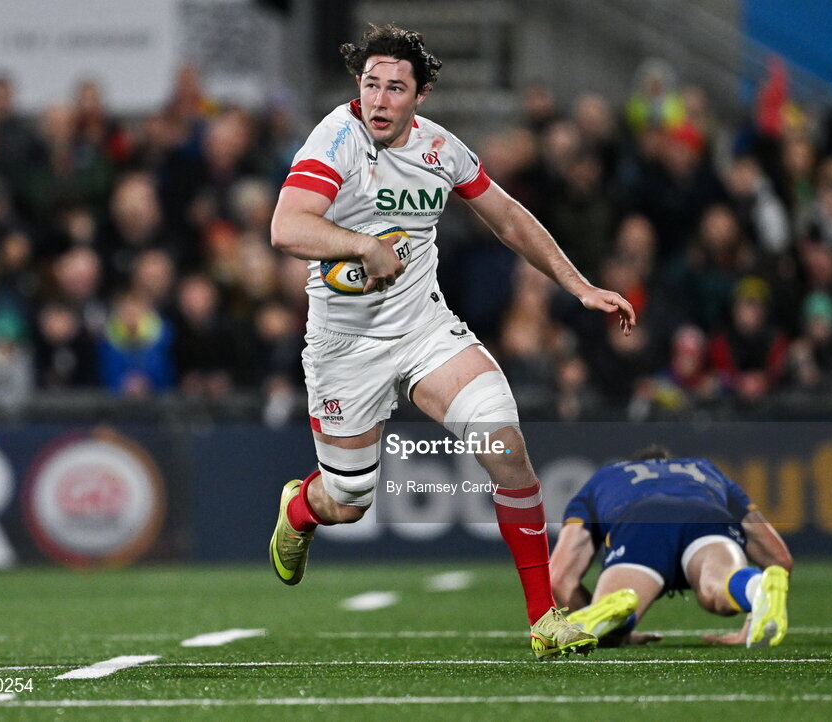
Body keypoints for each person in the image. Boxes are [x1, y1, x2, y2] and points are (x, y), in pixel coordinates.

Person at [268, 24, 635, 659]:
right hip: (343, 347)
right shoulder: (336, 138)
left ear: (422, 94)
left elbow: (510, 219)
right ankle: (300, 509)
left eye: (395, 88)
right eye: (370, 85)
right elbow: (285, 226)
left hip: (424, 330)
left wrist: (579, 287)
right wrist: (360, 243)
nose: (378, 101)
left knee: (505, 445)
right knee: (348, 500)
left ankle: (544, 620)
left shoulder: (440, 150)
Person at [549, 446, 792, 648]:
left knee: (614, 620)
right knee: (718, 589)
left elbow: (559, 577)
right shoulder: (705, 469)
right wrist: (751, 626)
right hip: (706, 516)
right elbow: (778, 558)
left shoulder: (605, 477)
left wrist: (607, 633)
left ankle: (609, 615)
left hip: (642, 521)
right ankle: (755, 587)